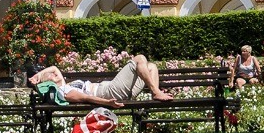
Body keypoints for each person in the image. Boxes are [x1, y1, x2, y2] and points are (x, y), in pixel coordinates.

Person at [29, 54, 173, 108]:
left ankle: (156, 93)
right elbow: (86, 98)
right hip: (108, 92)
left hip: (118, 91)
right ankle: (156, 92)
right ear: (50, 83)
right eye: (51, 76)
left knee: (152, 67)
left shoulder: (65, 85)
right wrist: (108, 102)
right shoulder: (65, 92)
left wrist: (38, 75)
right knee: (139, 59)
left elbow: (54, 68)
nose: (54, 74)